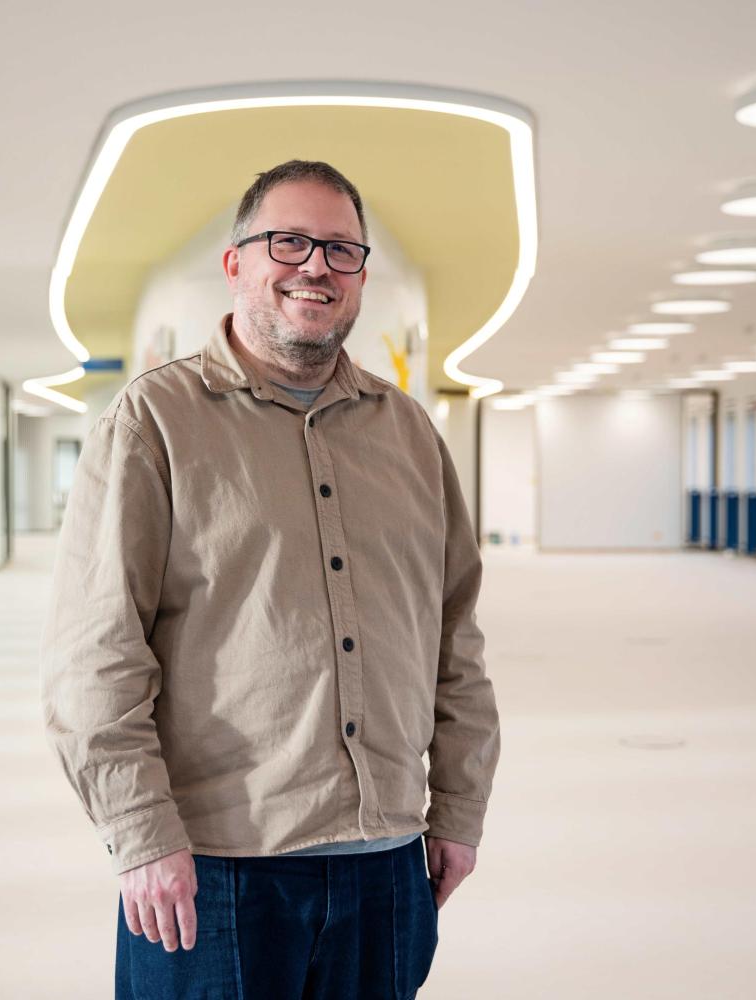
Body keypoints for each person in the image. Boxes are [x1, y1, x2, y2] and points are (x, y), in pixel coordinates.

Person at [40, 159, 501, 1000]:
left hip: (387, 866)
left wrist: (459, 811)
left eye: (342, 249)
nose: (316, 266)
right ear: (237, 262)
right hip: (216, 871)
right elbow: (95, 654)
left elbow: (455, 639)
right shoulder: (153, 423)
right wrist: (140, 834)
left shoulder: (411, 435)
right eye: (288, 242)